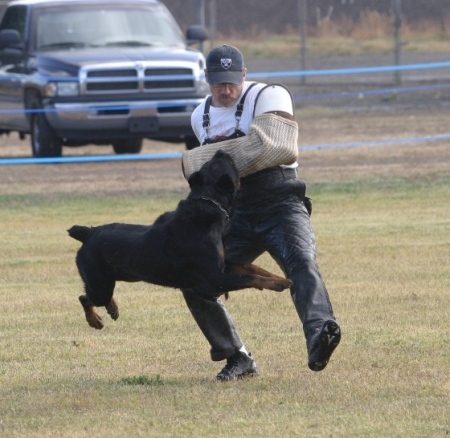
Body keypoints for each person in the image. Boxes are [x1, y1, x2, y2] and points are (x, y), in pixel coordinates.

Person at [182, 44, 341, 381]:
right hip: (234, 213)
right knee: (195, 277)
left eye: (232, 82)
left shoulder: (271, 95)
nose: (226, 91)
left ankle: (320, 333)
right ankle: (237, 357)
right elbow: (226, 168)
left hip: (281, 201)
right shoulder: (200, 116)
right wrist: (238, 153)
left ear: (244, 74)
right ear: (206, 78)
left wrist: (209, 159)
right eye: (218, 83)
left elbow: (277, 148)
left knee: (300, 262)